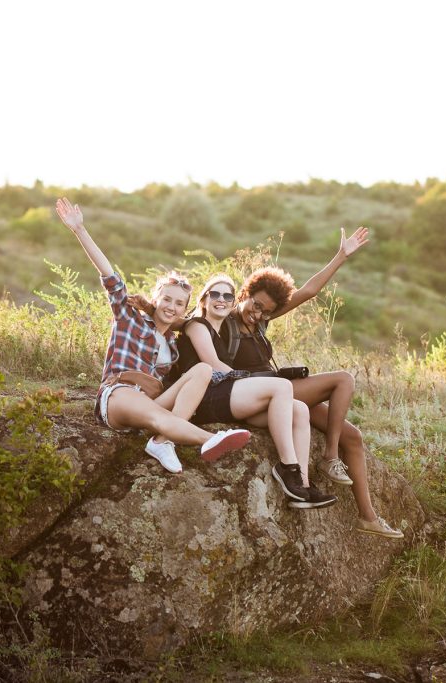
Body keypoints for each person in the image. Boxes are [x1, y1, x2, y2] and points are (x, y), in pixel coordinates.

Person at [207, 227, 404, 539]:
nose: (258, 314)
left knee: (353, 436)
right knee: (342, 380)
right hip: (258, 393)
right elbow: (187, 321)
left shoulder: (262, 319)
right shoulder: (223, 319)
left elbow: (309, 291)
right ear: (243, 295)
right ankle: (329, 457)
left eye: (266, 311)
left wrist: (341, 256)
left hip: (282, 390)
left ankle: (368, 517)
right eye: (255, 305)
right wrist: (152, 310)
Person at [54, 197, 250, 472]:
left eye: (179, 303)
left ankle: (163, 440)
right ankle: (211, 440)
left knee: (203, 370)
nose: (171, 307)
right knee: (155, 414)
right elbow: (109, 276)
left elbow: (192, 333)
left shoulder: (174, 342)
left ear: (184, 308)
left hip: (149, 401)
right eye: (167, 299)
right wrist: (80, 230)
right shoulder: (129, 317)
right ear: (155, 299)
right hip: (120, 395)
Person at [171, 274, 336, 510]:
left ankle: (302, 487)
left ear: (233, 301)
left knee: (298, 409)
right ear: (204, 299)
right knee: (282, 387)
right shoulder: (198, 325)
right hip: (203, 398)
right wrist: (257, 380)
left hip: (224, 399)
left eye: (227, 295)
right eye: (215, 294)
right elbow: (214, 365)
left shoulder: (222, 330)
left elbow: (304, 293)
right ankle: (288, 468)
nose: (221, 299)